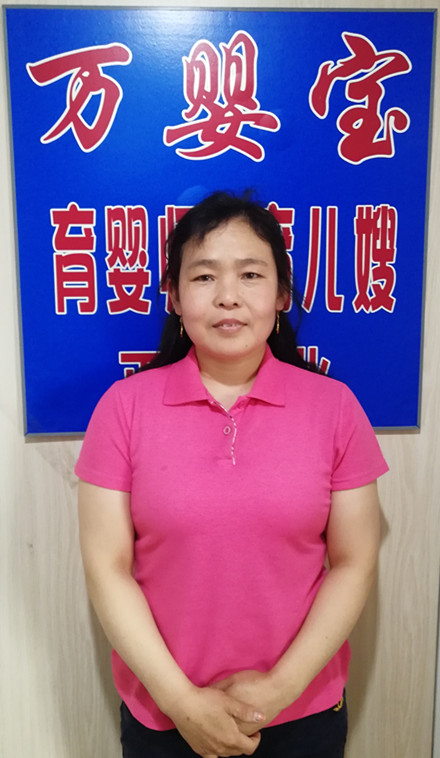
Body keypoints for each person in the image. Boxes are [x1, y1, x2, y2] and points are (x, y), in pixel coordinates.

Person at [76, 191, 388, 758]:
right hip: (164, 716)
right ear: (174, 297)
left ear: (282, 295)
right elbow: (107, 569)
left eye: (250, 274)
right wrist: (181, 702)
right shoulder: (123, 409)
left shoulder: (335, 407)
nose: (227, 296)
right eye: (203, 277)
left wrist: (277, 691)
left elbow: (354, 562)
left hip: (302, 714)